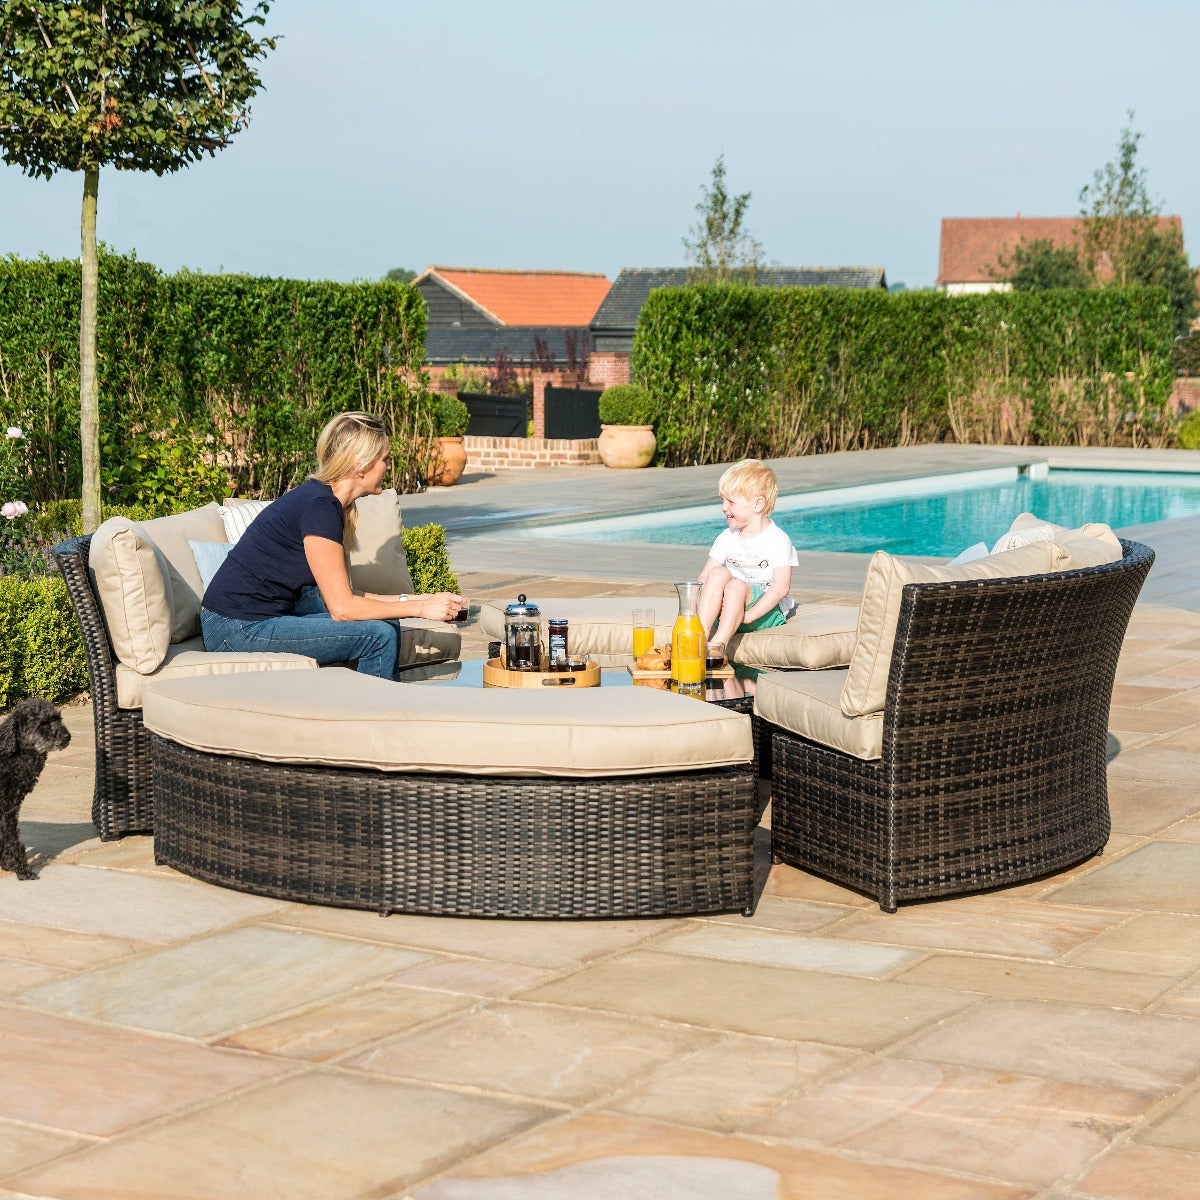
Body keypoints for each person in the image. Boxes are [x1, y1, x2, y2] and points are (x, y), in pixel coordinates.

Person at [200, 411, 462, 679]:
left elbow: (344, 595)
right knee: (378, 636)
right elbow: (343, 608)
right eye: (384, 460)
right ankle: (374, 719)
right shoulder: (319, 508)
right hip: (236, 628)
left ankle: (362, 708)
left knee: (386, 624)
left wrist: (422, 599)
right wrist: (419, 609)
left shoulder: (333, 505)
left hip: (250, 621)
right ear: (361, 465)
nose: (387, 467)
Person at [697, 459, 798, 660]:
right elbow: (703, 578)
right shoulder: (727, 537)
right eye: (722, 500)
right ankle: (699, 635)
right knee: (717, 573)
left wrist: (749, 616)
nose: (724, 507)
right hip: (730, 610)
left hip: (764, 613)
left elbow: (781, 588)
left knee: (736, 587)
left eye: (731, 501)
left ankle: (718, 646)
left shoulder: (777, 539)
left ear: (758, 504)